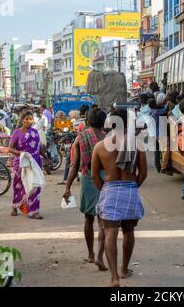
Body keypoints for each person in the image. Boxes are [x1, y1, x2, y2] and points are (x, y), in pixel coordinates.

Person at [92, 108, 148, 287]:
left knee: (110, 233)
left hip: (110, 190)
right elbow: (143, 172)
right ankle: (124, 269)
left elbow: (94, 174)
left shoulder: (100, 146)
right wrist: (132, 186)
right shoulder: (137, 144)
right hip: (129, 190)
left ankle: (114, 277)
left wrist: (106, 190)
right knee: (129, 231)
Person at [63, 108, 108, 271]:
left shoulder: (81, 137)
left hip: (88, 179)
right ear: (104, 122)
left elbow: (74, 165)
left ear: (87, 121)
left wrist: (67, 187)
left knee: (88, 219)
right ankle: (100, 256)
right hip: (105, 179)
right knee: (103, 221)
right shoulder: (108, 138)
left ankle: (91, 254)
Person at [8, 111, 44, 219]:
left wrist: (45, 156)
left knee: (35, 185)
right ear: (22, 120)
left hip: (35, 162)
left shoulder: (35, 132)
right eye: (26, 119)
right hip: (21, 163)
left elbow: (39, 147)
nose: (29, 121)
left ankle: (34, 211)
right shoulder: (17, 133)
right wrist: (21, 154)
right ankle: (15, 205)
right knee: (19, 185)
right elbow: (10, 148)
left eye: (31, 119)